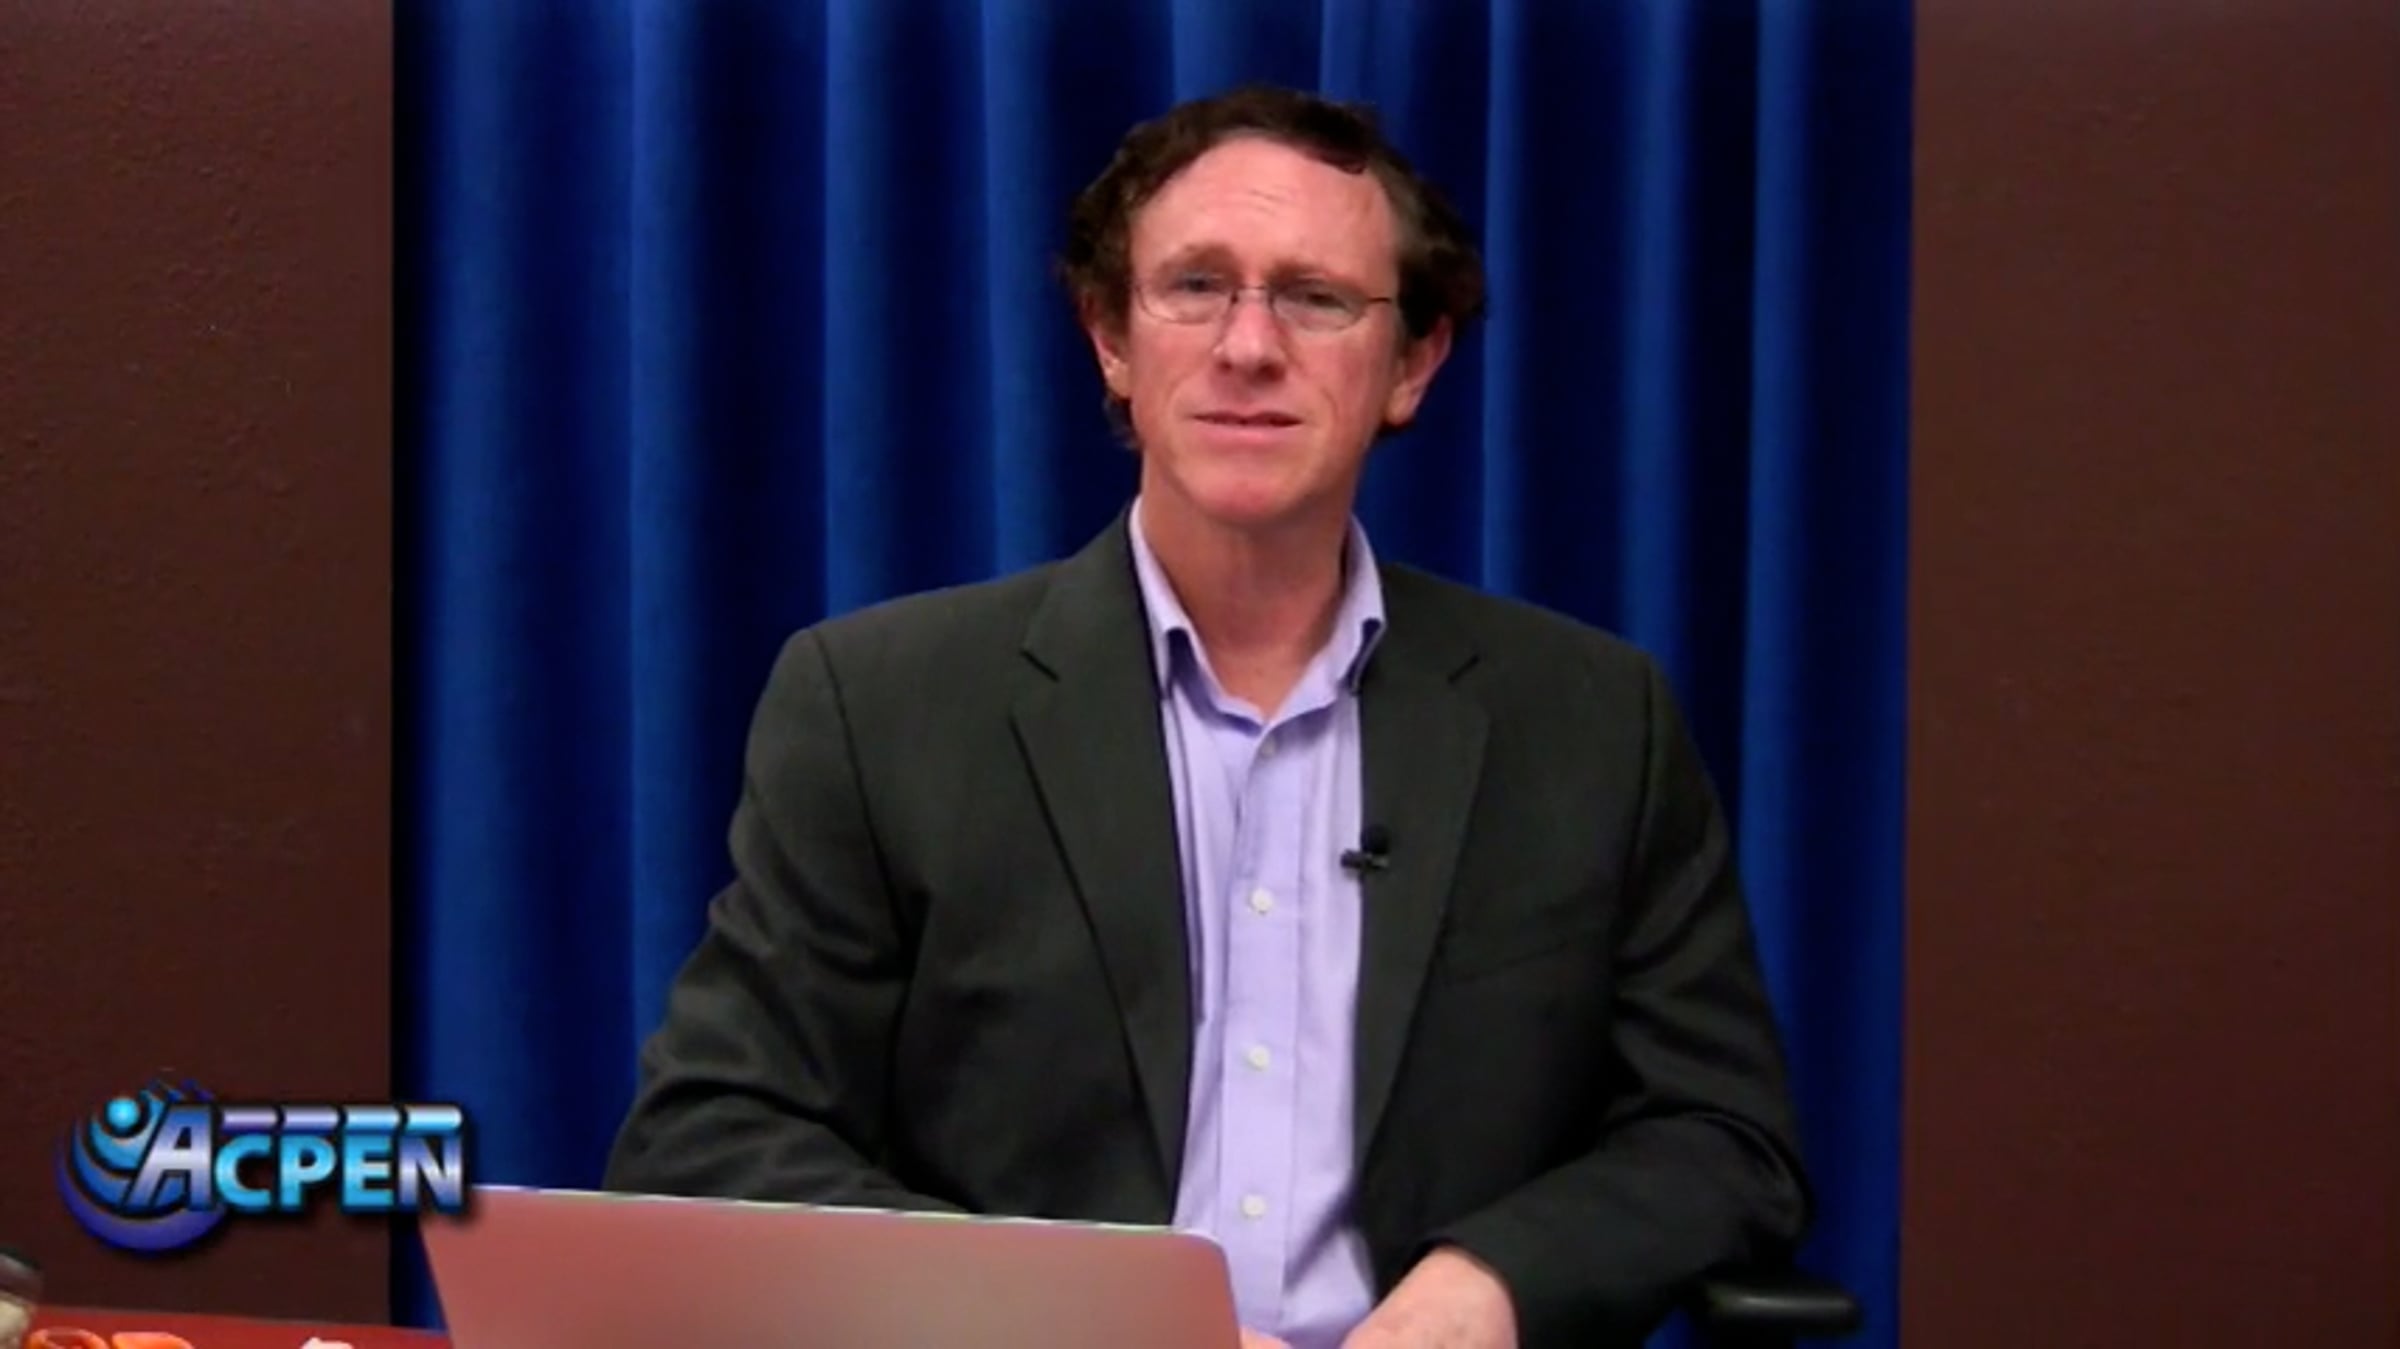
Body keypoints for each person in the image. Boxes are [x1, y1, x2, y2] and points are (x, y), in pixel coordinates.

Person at [604, 84, 1810, 1349]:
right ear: (1111, 340)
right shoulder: (882, 704)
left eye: (1316, 297)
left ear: (1412, 363)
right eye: (1195, 287)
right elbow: (708, 1135)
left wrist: (1494, 1283)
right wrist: (1074, 1321)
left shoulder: (1589, 721)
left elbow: (1723, 1135)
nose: (1249, 345)